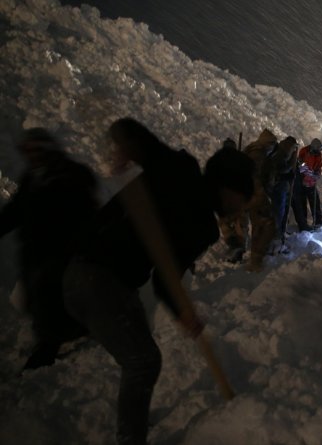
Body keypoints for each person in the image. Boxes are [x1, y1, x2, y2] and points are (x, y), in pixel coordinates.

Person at [62, 118, 254, 445]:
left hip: (113, 282)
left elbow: (166, 281)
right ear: (227, 187)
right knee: (143, 362)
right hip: (93, 273)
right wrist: (126, 147)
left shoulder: (203, 228)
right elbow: (128, 129)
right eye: (241, 198)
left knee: (142, 356)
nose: (240, 208)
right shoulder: (179, 171)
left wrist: (183, 313)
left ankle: (132, 427)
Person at [0, 128, 98, 370]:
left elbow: (88, 215)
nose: (30, 156)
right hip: (36, 254)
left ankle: (51, 347)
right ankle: (58, 338)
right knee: (38, 301)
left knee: (52, 301)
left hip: (62, 254)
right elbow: (15, 211)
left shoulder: (72, 175)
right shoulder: (33, 178)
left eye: (34, 149)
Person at [242, 129, 278, 270]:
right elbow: (254, 177)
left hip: (253, 195)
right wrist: (261, 196)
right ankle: (256, 260)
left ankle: (257, 257)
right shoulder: (258, 154)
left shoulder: (255, 151)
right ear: (268, 144)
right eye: (272, 145)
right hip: (255, 196)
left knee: (260, 225)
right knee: (266, 225)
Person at [297, 138, 322, 227]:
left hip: (311, 182)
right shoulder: (304, 151)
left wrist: (317, 173)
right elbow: (300, 165)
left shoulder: (318, 155)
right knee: (302, 204)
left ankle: (318, 221)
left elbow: (319, 166)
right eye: (317, 150)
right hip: (302, 181)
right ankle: (303, 223)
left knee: (315, 202)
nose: (318, 152)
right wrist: (308, 173)